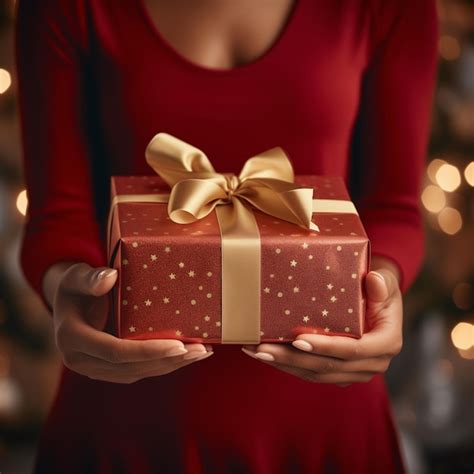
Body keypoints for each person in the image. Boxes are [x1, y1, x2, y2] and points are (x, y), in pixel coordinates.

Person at [15, 0, 438, 472]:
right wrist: (67, 290)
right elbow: (58, 215)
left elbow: (393, 209)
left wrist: (380, 286)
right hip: (125, 406)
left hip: (323, 408)